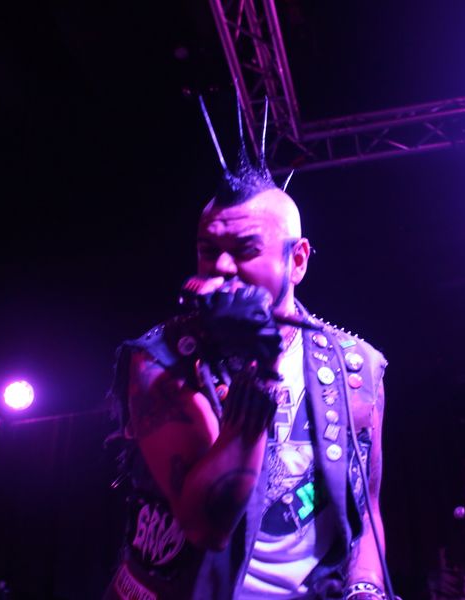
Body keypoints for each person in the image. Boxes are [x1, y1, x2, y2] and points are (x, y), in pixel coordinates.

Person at [103, 140, 390, 600]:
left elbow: (366, 508)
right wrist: (260, 371)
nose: (221, 266)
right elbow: (207, 526)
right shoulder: (161, 360)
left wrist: (366, 588)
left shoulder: (356, 368)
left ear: (297, 261)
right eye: (208, 250)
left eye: (245, 250)